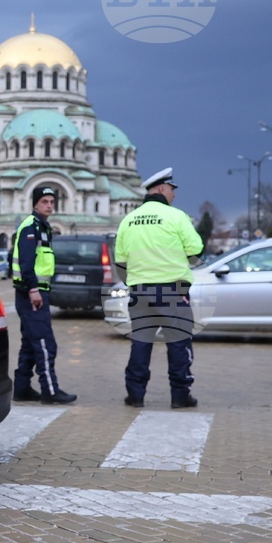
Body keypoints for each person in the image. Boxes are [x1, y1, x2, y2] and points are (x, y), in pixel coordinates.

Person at [115, 167, 203, 409]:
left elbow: (120, 262)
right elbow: (196, 251)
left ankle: (135, 395)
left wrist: (133, 282)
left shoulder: (128, 220)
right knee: (178, 344)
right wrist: (183, 266)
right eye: (172, 190)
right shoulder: (176, 217)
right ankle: (180, 395)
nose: (174, 195)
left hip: (139, 292)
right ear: (162, 189)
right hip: (172, 292)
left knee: (141, 343)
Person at [11, 186, 77, 404]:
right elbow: (27, 263)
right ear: (35, 203)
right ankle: (50, 390)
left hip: (36, 294)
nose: (49, 205)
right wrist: (33, 290)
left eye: (51, 201)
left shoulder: (42, 227)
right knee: (44, 344)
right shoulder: (31, 227)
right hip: (32, 296)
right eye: (44, 202)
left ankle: (21, 388)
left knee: (30, 343)